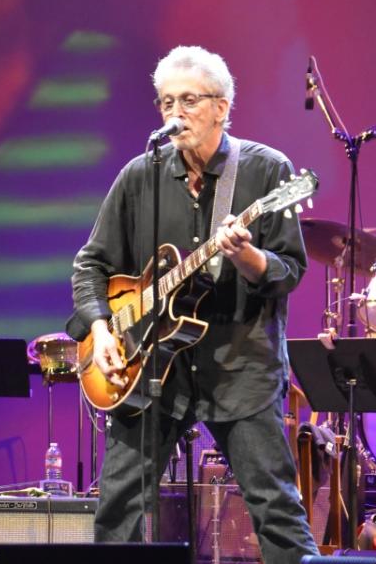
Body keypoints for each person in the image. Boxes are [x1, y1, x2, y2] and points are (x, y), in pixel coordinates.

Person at [66, 46, 318, 563]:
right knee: (116, 513)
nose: (174, 114)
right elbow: (89, 266)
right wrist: (101, 329)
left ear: (222, 107)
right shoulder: (141, 175)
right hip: (154, 372)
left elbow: (289, 271)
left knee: (275, 510)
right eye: (165, 103)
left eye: (189, 101)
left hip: (240, 366)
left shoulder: (267, 171)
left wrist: (246, 255)